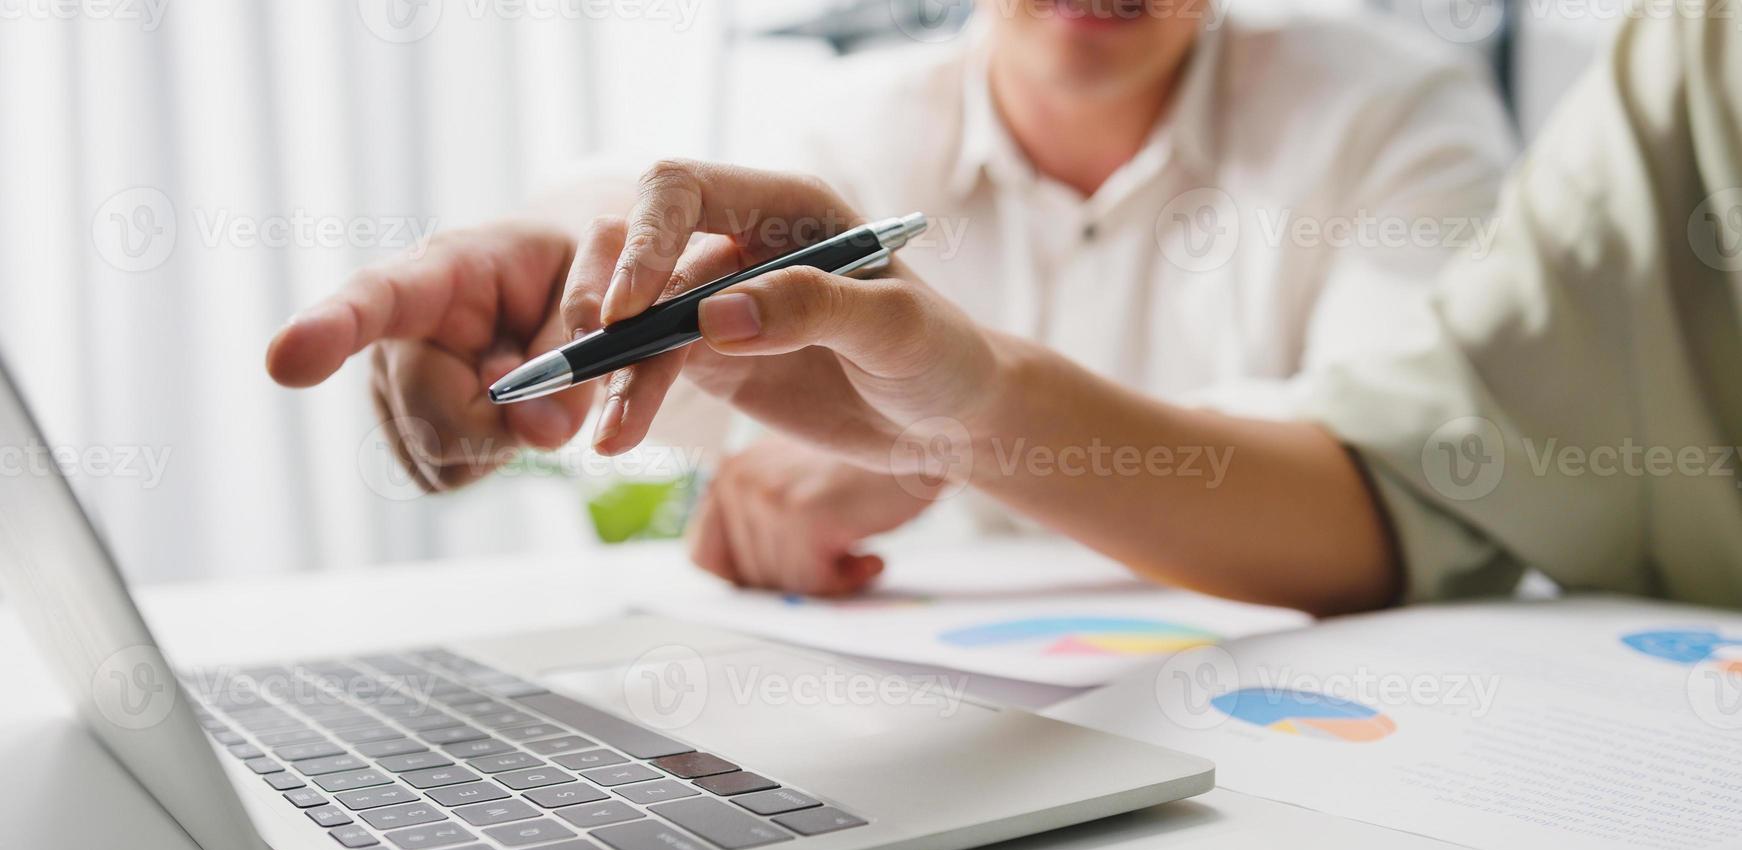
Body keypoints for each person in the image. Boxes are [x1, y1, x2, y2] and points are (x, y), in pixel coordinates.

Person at [265, 0, 1514, 596]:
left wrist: (947, 453)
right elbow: (671, 271)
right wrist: (541, 267)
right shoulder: (852, 130)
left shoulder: (1392, 114)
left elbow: (1398, 480)